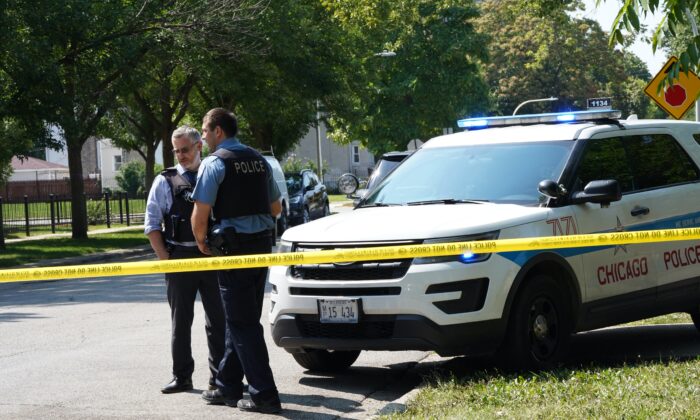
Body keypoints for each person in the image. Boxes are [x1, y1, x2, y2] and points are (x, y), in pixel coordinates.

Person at [192, 108, 282, 414]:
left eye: (204, 130)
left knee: (242, 322)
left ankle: (264, 395)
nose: (202, 136)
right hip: (261, 246)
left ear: (218, 131)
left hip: (233, 249)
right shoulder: (260, 161)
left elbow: (200, 211)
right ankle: (227, 385)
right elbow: (276, 208)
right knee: (239, 317)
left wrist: (202, 242)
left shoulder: (214, 163)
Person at [144, 125, 225, 394]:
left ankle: (221, 377)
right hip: (179, 257)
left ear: (199, 146)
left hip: (212, 259)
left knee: (219, 321)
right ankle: (182, 377)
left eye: (185, 150)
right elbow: (152, 225)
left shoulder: (213, 173)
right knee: (181, 322)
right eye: (176, 151)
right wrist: (166, 260)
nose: (181, 155)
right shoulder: (164, 181)